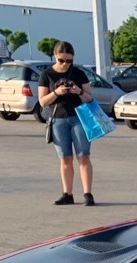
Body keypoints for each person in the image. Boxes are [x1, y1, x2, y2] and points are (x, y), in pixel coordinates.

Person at [37, 41, 95, 206]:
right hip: (58, 119)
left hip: (78, 117)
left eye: (69, 61)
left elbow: (90, 98)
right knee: (65, 158)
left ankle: (88, 194)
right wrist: (56, 92)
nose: (65, 64)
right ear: (55, 56)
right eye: (62, 60)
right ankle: (67, 193)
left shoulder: (78, 73)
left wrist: (79, 92)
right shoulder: (46, 74)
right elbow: (42, 102)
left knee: (83, 156)